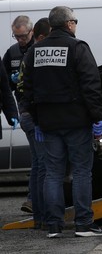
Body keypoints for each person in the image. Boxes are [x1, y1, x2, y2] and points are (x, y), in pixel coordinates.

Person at [21, 6, 102, 238]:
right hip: (76, 122)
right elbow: (91, 86)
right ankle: (83, 224)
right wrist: (97, 118)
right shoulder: (78, 47)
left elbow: (27, 90)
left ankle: (54, 226)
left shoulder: (35, 51)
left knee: (52, 173)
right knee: (81, 172)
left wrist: (37, 120)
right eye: (75, 21)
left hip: (48, 123)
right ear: (69, 24)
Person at [16, 17, 51, 229]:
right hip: (34, 117)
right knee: (45, 167)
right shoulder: (37, 55)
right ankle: (44, 217)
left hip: (27, 115)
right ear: (41, 37)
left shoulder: (29, 55)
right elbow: (30, 90)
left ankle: (39, 217)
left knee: (39, 166)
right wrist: (38, 119)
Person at [3, 15, 35, 214]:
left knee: (41, 159)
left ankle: (35, 200)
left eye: (23, 36)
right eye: (16, 36)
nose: (20, 40)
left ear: (31, 32)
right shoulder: (12, 52)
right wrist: (13, 80)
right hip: (24, 108)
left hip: (38, 107)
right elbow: (3, 81)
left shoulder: (39, 48)